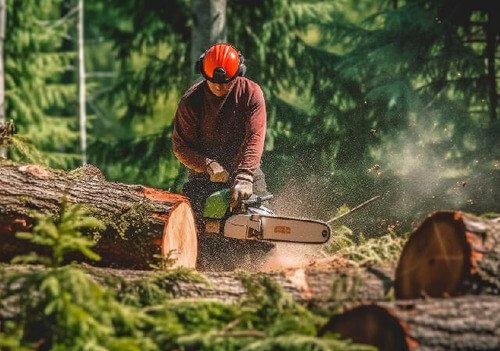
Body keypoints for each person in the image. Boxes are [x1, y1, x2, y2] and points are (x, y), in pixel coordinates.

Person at [172, 43, 270, 225]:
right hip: (204, 176)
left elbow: (255, 137)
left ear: (239, 72)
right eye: (213, 81)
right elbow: (181, 147)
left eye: (225, 82)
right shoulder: (191, 101)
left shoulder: (250, 93)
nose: (219, 87)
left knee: (260, 225)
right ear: (203, 72)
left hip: (245, 170)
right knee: (198, 227)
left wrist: (246, 174)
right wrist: (207, 164)